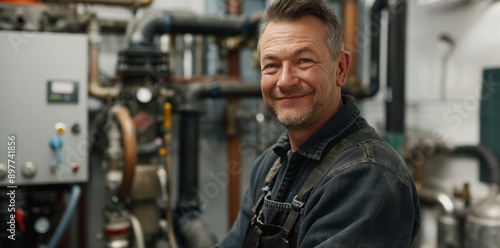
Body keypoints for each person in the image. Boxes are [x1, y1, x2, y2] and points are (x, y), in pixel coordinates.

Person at [215, 0, 420, 247]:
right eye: (271, 65)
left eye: (303, 61)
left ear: (341, 69)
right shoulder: (269, 164)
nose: (285, 80)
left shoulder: (369, 176)